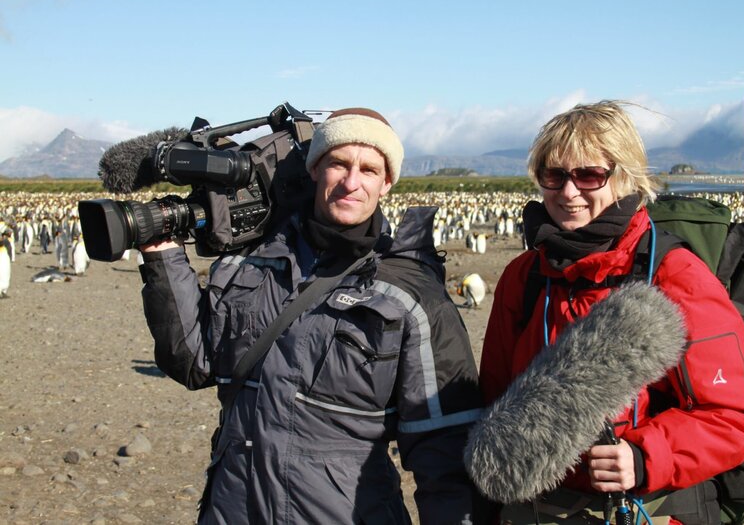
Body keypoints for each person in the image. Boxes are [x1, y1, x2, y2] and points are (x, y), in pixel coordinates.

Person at [138, 108, 485, 524]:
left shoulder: (410, 294)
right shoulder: (249, 262)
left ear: (387, 182)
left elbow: (446, 448)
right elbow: (194, 362)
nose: (352, 182)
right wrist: (162, 257)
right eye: (338, 163)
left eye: (369, 170)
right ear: (315, 168)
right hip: (232, 511)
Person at [478, 101, 744, 523]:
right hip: (538, 506)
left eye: (589, 174)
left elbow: (739, 416)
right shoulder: (525, 276)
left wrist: (645, 456)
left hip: (637, 507)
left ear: (625, 177)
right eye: (553, 175)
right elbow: (494, 396)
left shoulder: (674, 275)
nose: (568, 192)